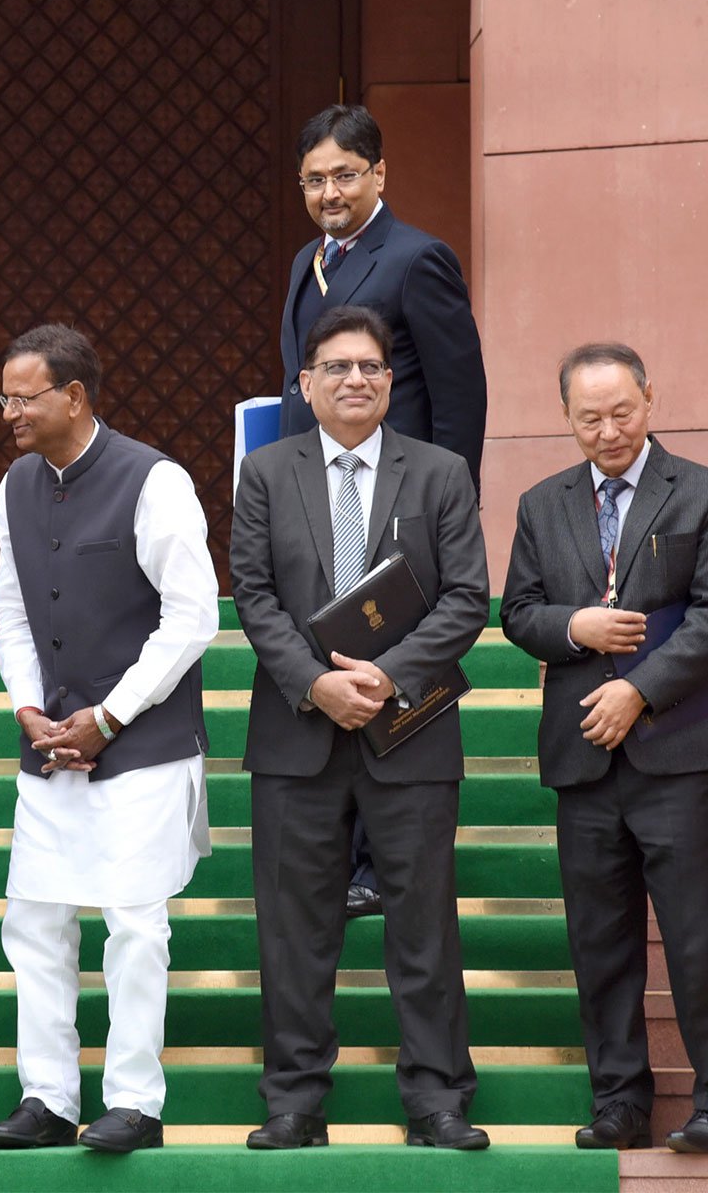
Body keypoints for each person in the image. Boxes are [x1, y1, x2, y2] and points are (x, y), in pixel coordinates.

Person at [231, 305, 489, 1151]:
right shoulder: (266, 471)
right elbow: (254, 596)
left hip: (409, 727)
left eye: (370, 367)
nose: (354, 380)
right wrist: (314, 685)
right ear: (305, 385)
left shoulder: (442, 471)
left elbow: (463, 596)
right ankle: (295, 1101)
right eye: (336, 367)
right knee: (294, 927)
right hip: (296, 736)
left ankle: (437, 1098)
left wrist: (389, 676)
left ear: (390, 381)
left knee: (423, 924)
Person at [0, 324, 216, 1154]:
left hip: (143, 746)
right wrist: (25, 708)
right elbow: (10, 609)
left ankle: (134, 1104)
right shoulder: (14, 484)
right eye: (4, 396)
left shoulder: (156, 481)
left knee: (135, 925)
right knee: (36, 922)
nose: (8, 411)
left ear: (74, 397)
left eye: (24, 396)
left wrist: (110, 717)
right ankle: (46, 1096)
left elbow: (194, 617)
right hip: (48, 744)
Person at [277, 105, 489, 918]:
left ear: (380, 176)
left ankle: (378, 860)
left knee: (387, 663)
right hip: (318, 498)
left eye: (345, 175)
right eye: (315, 179)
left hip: (402, 508)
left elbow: (460, 392)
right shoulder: (309, 262)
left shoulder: (417, 259)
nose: (331, 192)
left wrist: (451, 508)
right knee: (329, 657)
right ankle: (341, 848)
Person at [500, 343, 708, 1154]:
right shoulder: (541, 503)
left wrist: (640, 688)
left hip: (677, 753)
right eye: (590, 418)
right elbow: (518, 612)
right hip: (583, 759)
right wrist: (573, 626)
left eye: (622, 412)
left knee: (695, 937)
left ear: (649, 400)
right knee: (601, 941)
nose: (608, 430)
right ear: (566, 419)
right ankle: (619, 1102)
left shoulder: (696, 492)